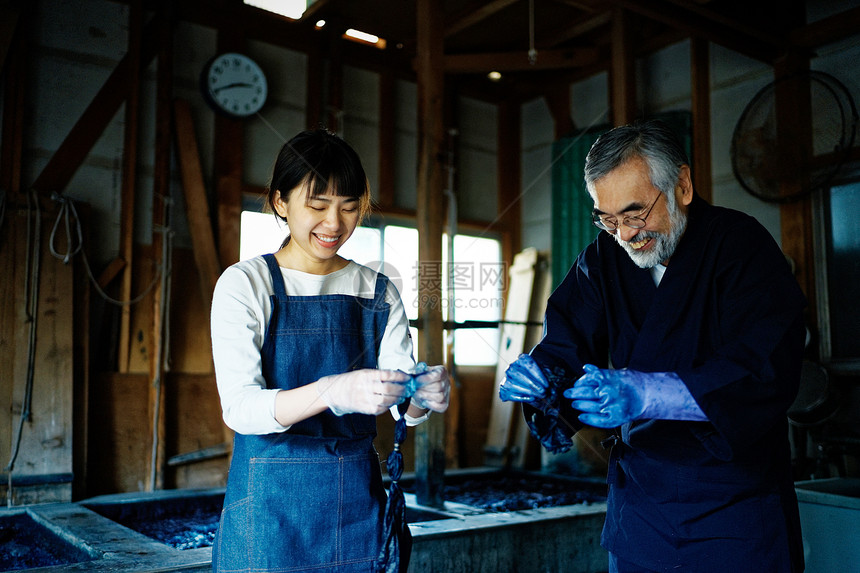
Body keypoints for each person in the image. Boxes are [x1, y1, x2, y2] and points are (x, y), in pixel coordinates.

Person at [500, 119, 806, 572]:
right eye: (608, 219)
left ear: (682, 185)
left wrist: (645, 393)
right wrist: (541, 379)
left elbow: (764, 367)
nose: (624, 234)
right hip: (640, 508)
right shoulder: (603, 259)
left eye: (636, 213)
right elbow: (566, 344)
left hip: (735, 507)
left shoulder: (740, 245)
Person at [210, 128, 450, 573]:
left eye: (349, 207)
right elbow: (241, 408)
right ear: (281, 202)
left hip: (356, 506)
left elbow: (402, 409)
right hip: (268, 513)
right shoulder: (246, 284)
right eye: (317, 207)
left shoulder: (378, 291)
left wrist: (422, 397)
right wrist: (332, 391)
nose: (334, 224)